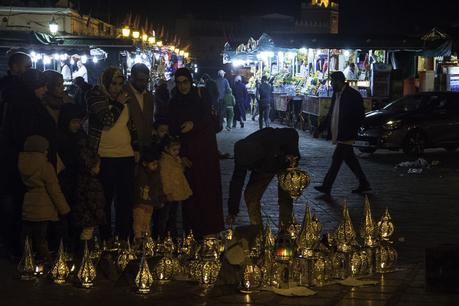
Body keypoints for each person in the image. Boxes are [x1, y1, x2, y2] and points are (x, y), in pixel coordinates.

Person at [168, 68, 224, 238]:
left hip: (206, 153)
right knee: (190, 196)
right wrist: (181, 155)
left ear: (190, 81)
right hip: (188, 156)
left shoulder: (201, 95)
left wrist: (195, 124)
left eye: (185, 82)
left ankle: (210, 231)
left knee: (208, 192)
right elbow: (173, 129)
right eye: (179, 83)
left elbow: (210, 120)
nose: (182, 86)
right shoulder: (175, 102)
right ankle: (191, 233)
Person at [86, 67, 139, 241]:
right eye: (113, 84)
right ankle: (106, 238)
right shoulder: (96, 97)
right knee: (105, 199)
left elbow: (130, 125)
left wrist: (136, 147)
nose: (117, 87)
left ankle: (124, 237)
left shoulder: (124, 100)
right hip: (105, 156)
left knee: (125, 199)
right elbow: (107, 120)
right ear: (106, 83)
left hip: (125, 155)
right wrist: (118, 104)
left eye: (120, 84)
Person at [227, 128, 300, 228]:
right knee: (251, 195)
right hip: (264, 162)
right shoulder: (242, 151)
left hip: (284, 156)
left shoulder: (274, 142)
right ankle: (257, 231)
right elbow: (237, 183)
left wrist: (291, 159)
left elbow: (292, 134)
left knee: (285, 195)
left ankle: (285, 230)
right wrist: (232, 211)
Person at [313, 71, 371, 195]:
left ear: (339, 81)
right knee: (350, 159)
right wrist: (320, 129)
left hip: (347, 133)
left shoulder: (352, 95)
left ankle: (327, 186)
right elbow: (331, 113)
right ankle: (364, 183)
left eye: (333, 82)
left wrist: (352, 129)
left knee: (336, 159)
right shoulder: (337, 94)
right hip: (340, 132)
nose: (331, 84)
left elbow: (360, 115)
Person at [19, 135, 70, 262]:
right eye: (45, 149)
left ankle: (26, 260)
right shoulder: (46, 166)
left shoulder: (22, 163)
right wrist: (64, 209)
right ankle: (46, 260)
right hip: (43, 208)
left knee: (27, 237)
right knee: (41, 239)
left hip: (28, 206)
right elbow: (54, 191)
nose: (47, 152)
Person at [158, 136, 193, 238]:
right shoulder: (165, 161)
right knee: (165, 217)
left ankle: (172, 235)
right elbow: (165, 178)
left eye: (178, 150)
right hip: (169, 194)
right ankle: (163, 236)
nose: (177, 152)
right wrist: (168, 192)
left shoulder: (174, 159)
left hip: (176, 193)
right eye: (174, 150)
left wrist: (182, 165)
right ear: (166, 148)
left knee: (172, 215)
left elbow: (179, 172)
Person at [133, 146, 166, 241]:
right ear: (145, 164)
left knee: (147, 222)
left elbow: (159, 187)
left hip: (150, 203)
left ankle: (146, 239)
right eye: (153, 164)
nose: (156, 166)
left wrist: (161, 199)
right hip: (140, 203)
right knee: (139, 222)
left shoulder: (156, 173)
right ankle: (139, 239)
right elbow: (141, 188)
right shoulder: (140, 174)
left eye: (157, 164)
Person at [74, 145, 105, 245]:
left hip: (83, 213)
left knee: (86, 233)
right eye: (98, 166)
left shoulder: (81, 180)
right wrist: (99, 213)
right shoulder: (92, 182)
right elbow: (94, 200)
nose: (99, 169)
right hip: (88, 215)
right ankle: (85, 251)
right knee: (87, 234)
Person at [125, 63, 155, 149]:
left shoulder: (149, 96)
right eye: (141, 80)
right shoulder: (123, 94)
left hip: (145, 144)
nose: (144, 83)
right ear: (132, 78)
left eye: (146, 80)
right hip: (128, 144)